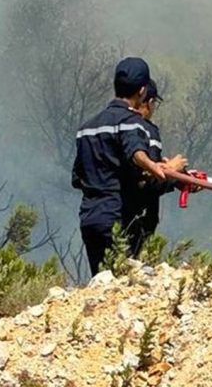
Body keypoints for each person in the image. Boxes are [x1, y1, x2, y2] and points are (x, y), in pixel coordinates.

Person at [72, 57, 168, 275]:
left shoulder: (86, 128)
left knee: (101, 284)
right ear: (143, 91)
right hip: (119, 220)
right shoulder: (132, 123)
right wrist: (161, 169)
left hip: (90, 220)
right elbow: (136, 152)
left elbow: (77, 178)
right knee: (126, 286)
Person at [121, 79, 187, 256]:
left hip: (116, 215)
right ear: (149, 102)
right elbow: (148, 181)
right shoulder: (147, 130)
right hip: (138, 217)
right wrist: (174, 176)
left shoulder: (118, 125)